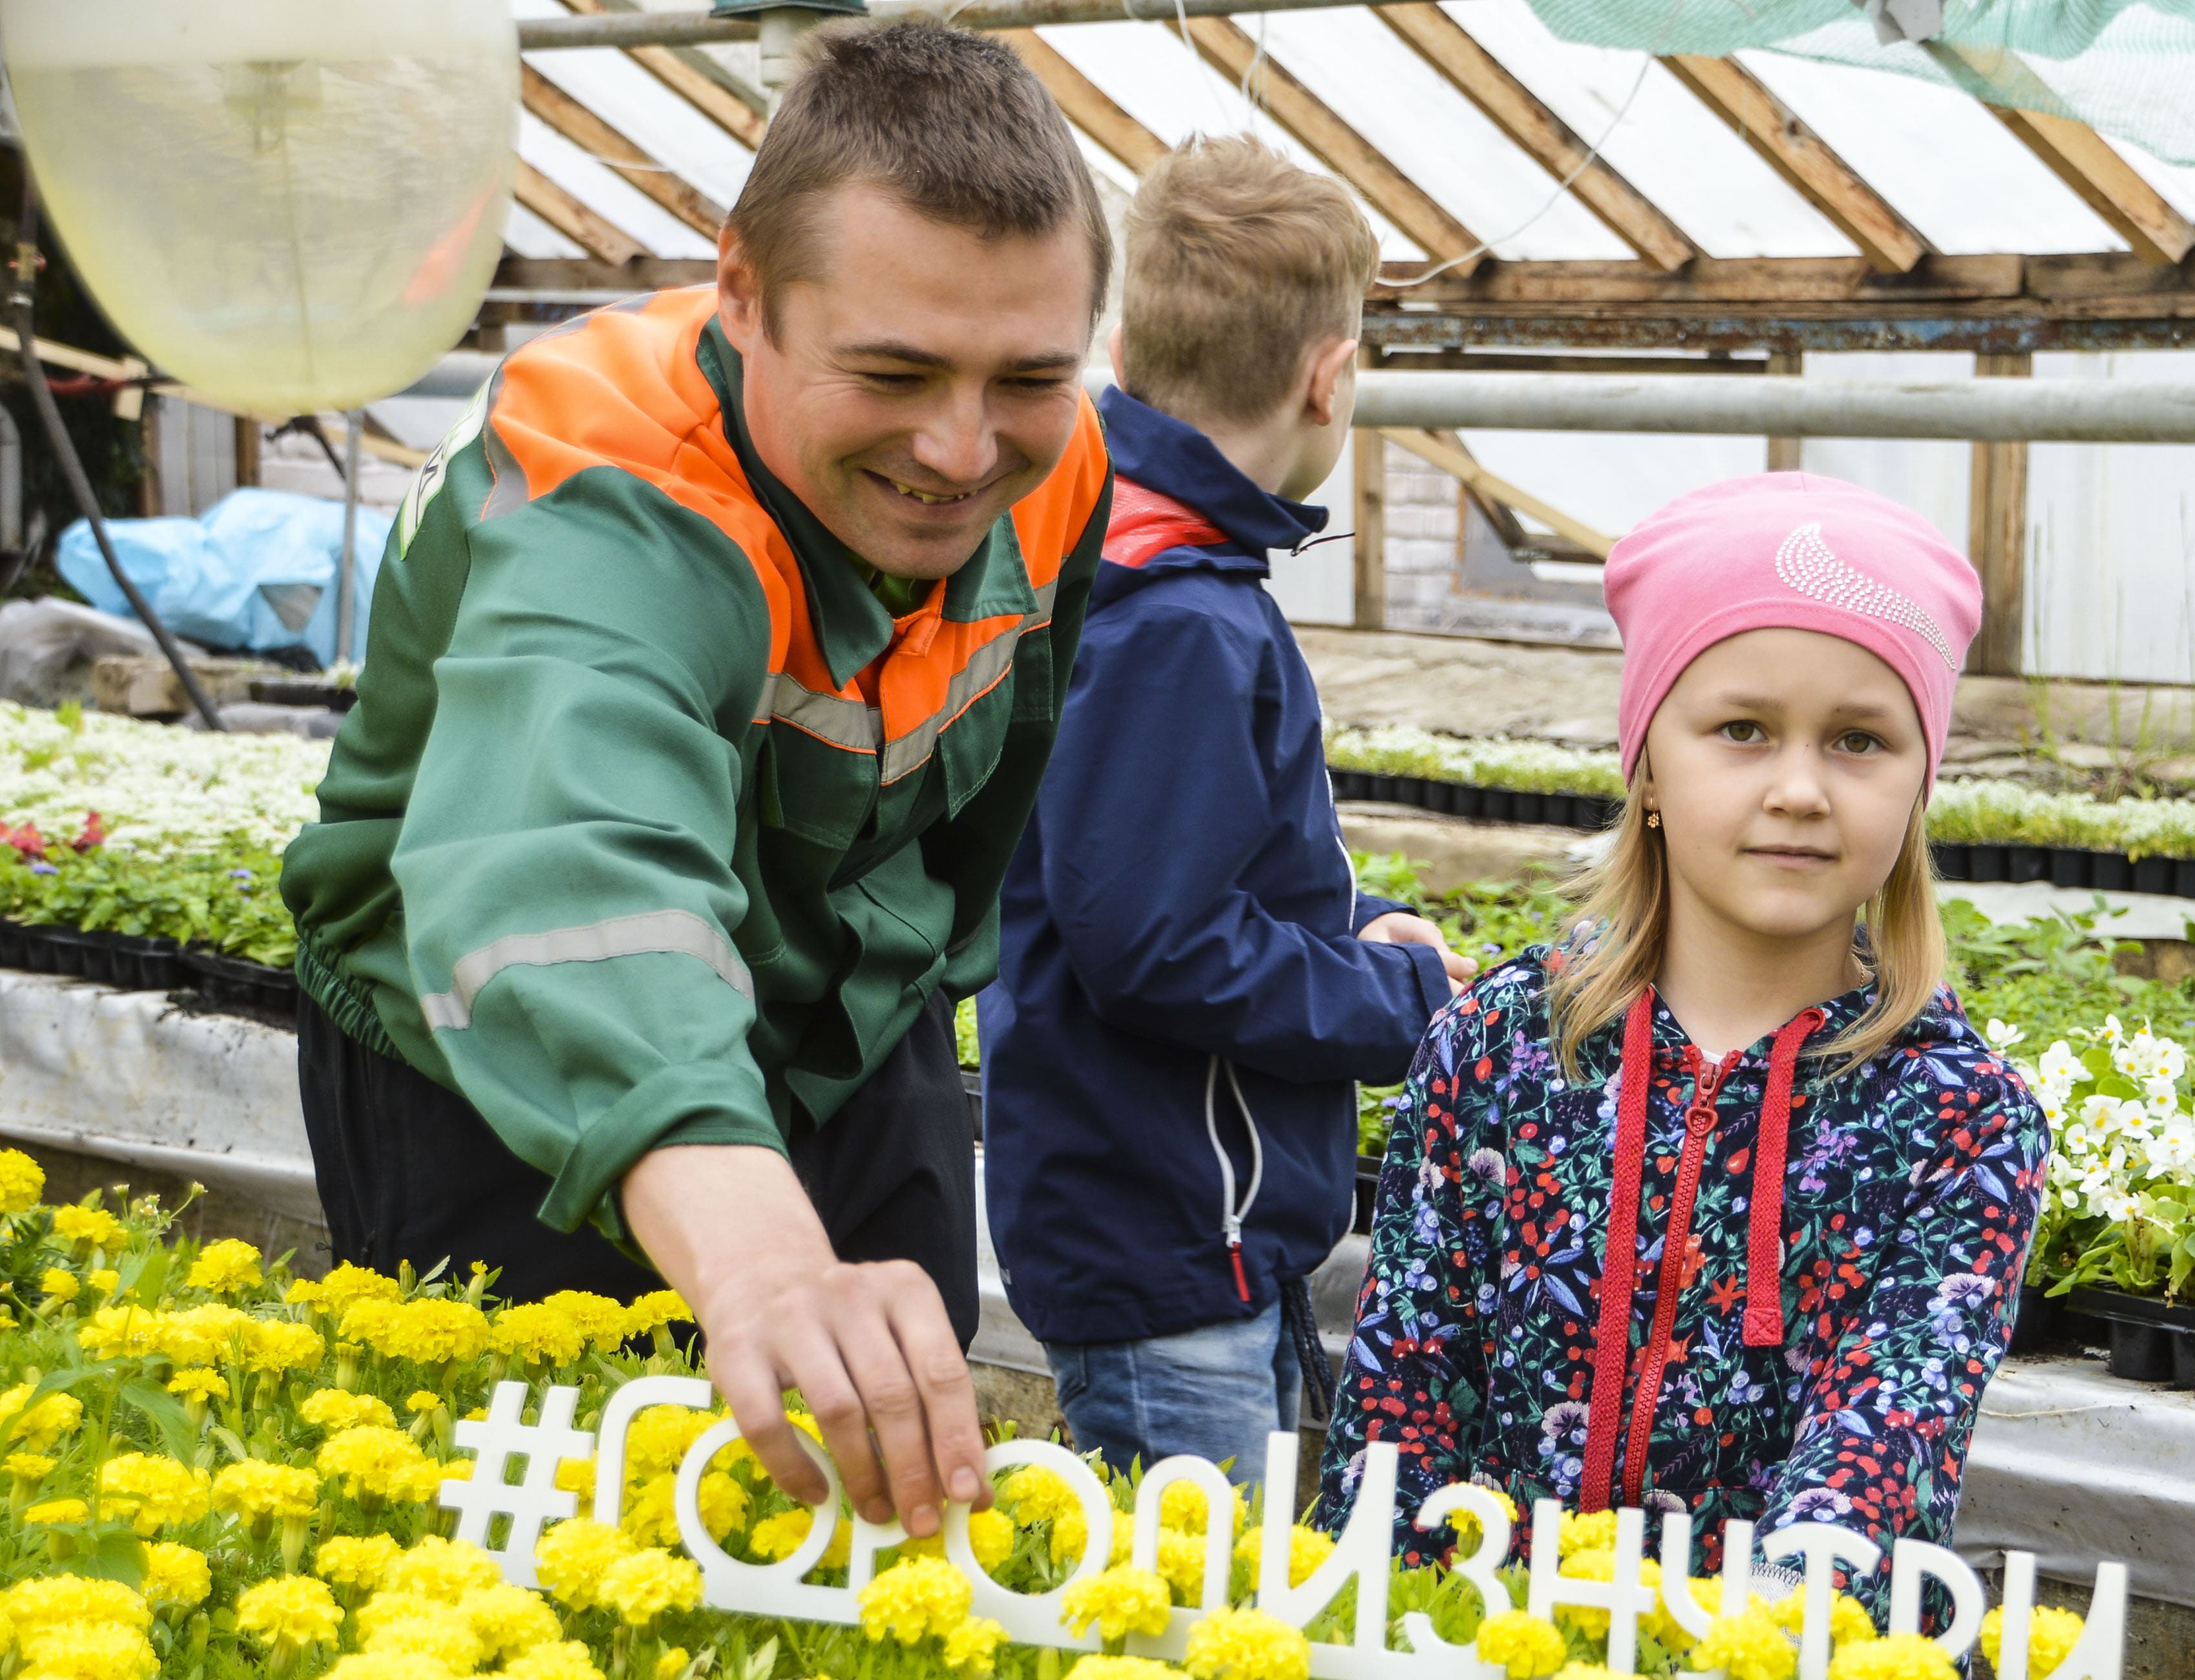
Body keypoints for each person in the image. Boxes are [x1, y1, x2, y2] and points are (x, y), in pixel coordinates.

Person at [280, 21, 1116, 1543]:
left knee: (894, 1514)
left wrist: (904, 1015)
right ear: (741, 293)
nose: (959, 445)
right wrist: (759, 1261)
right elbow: (565, 868)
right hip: (496, 1053)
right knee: (561, 1541)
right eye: (893, 370)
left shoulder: (1058, 461)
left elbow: (988, 795)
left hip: (849, 1020)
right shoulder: (612, 489)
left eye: (1027, 377)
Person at [1316, 472, 2050, 1583]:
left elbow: (1876, 1456)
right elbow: (1398, 1414)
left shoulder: (1963, 1124)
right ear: (1650, 760)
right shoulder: (1501, 1049)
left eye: (1860, 741)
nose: (1802, 788)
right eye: (1743, 729)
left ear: (1919, 784)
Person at [982, 138, 1473, 1484]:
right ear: (1331, 377)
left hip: (1176, 1223)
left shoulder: (1138, 564)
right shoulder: (1183, 625)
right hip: (1168, 1242)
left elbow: (1162, 876)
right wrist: (1400, 1010)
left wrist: (1361, 926)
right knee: (1182, 1639)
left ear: (1128, 346)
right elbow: (1156, 945)